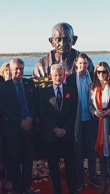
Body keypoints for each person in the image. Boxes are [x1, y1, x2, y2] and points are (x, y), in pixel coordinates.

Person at [0, 58, 37, 194]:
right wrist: (20, 122)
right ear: (11, 69)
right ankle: (18, 188)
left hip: (29, 129)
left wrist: (30, 119)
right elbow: (4, 109)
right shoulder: (4, 86)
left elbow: (34, 104)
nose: (19, 71)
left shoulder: (29, 83)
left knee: (28, 160)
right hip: (13, 130)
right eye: (16, 69)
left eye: (21, 68)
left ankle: (26, 186)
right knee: (14, 161)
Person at [39, 64, 78, 194]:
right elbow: (42, 114)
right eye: (55, 75)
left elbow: (74, 113)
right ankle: (57, 190)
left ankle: (73, 190)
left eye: (60, 75)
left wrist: (65, 129)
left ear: (64, 75)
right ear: (51, 76)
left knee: (70, 166)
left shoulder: (71, 91)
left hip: (67, 135)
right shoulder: (44, 92)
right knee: (53, 167)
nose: (58, 77)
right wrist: (55, 129)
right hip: (51, 136)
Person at [65, 53, 100, 190]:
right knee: (78, 152)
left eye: (85, 63)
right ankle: (80, 180)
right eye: (80, 63)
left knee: (91, 152)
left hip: (91, 120)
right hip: (76, 122)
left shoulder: (93, 78)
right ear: (75, 64)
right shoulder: (70, 79)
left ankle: (92, 177)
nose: (83, 66)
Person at [89, 62, 110, 194]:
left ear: (108, 72)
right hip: (97, 126)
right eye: (98, 72)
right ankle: (104, 180)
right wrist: (95, 112)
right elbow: (89, 105)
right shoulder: (92, 87)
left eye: (104, 72)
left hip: (109, 126)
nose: (101, 74)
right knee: (101, 155)